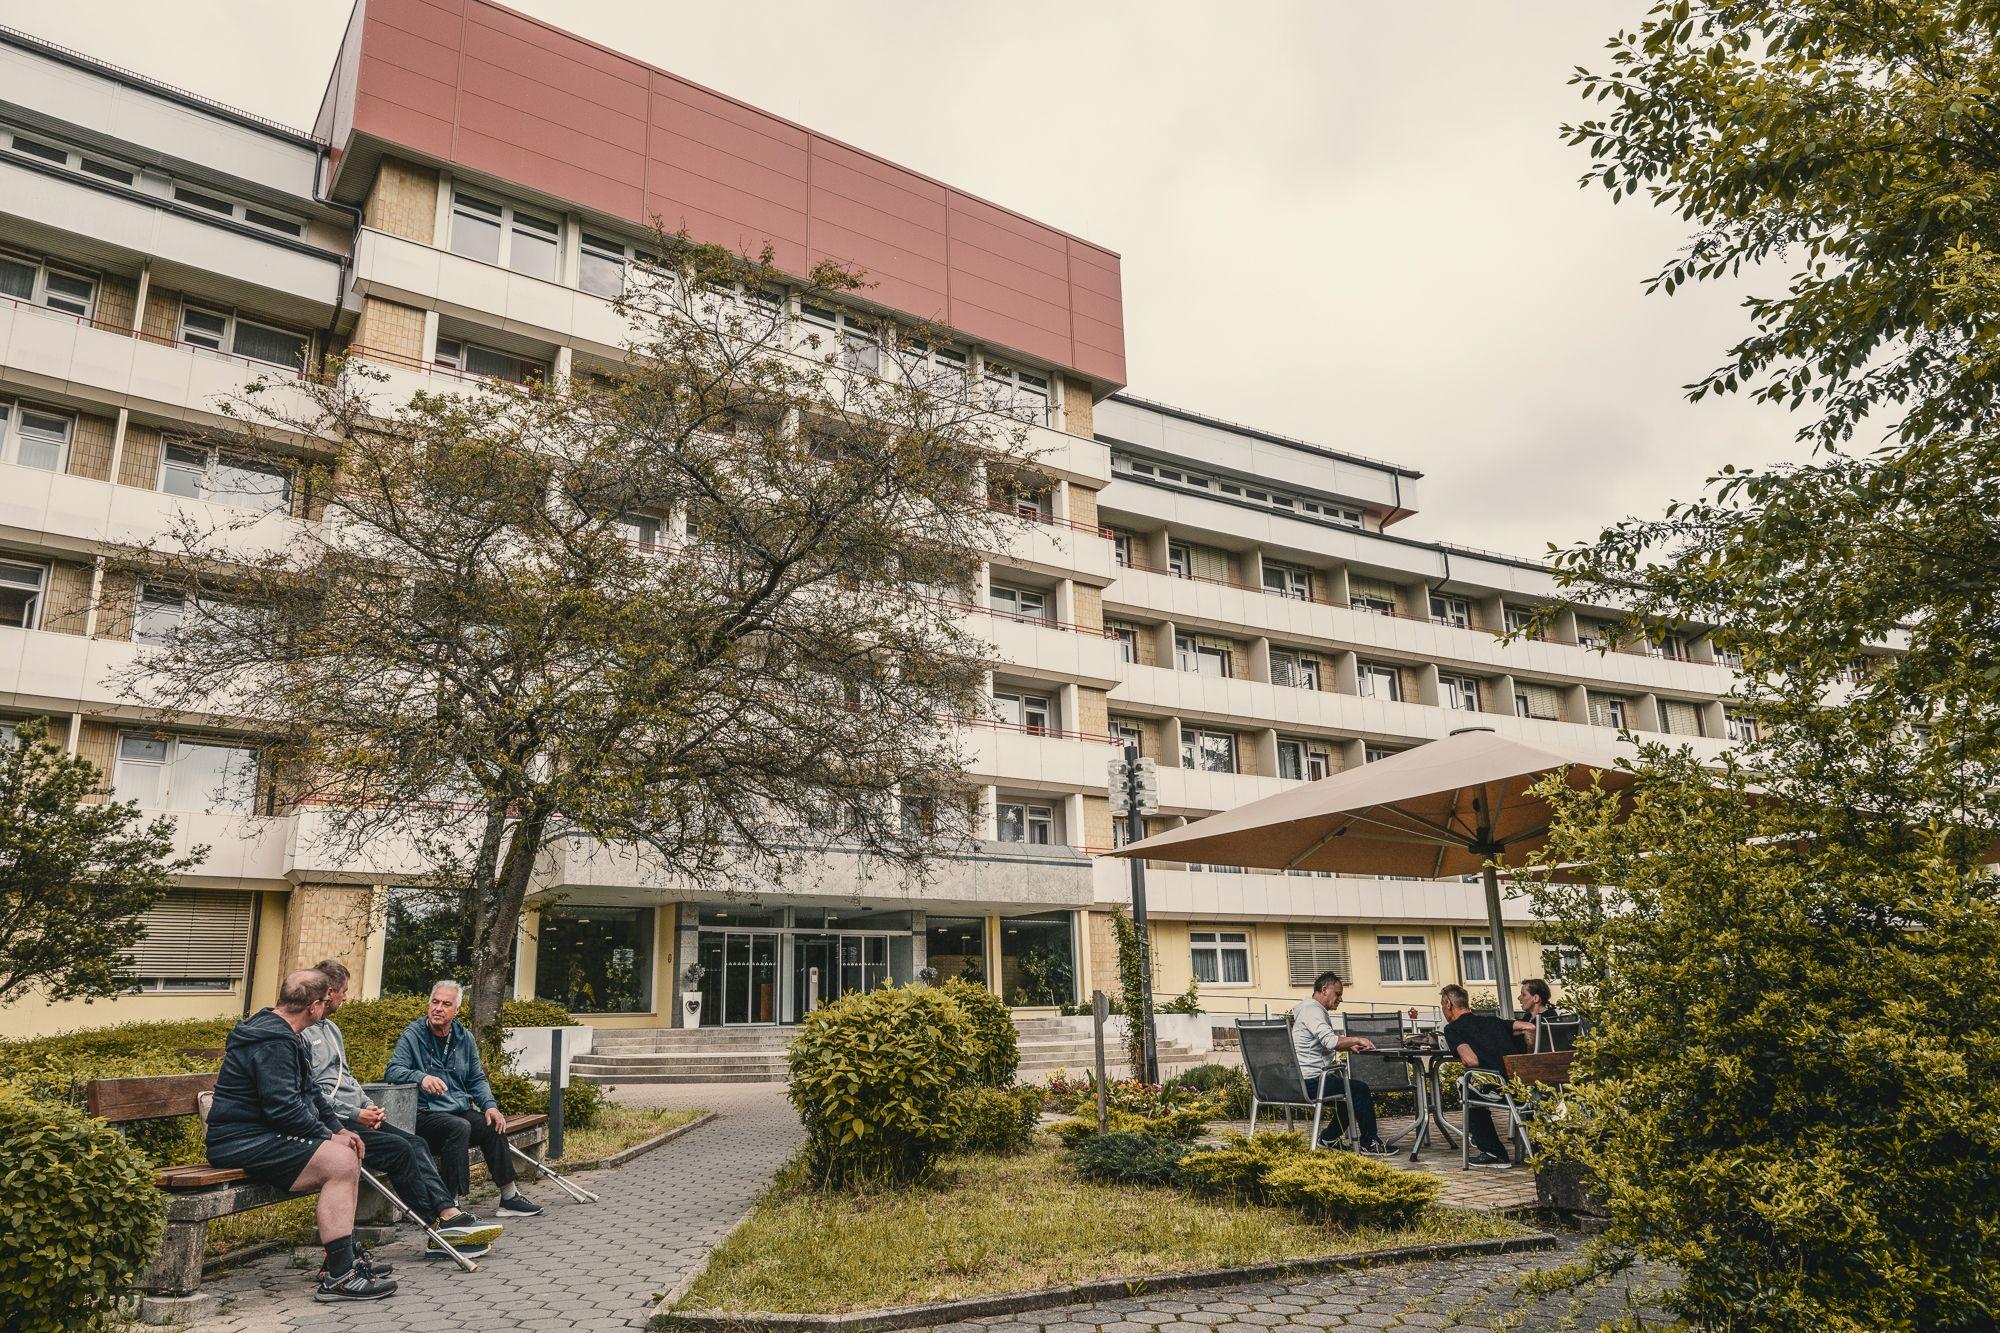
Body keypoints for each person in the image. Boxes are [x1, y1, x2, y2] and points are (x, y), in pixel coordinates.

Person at [205, 970, 397, 1303]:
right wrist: (327, 1137)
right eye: (325, 1002)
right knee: (339, 1162)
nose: (327, 1007)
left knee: (347, 1152)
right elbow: (283, 1108)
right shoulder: (274, 1041)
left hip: (262, 1135)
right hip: (238, 1140)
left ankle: (342, 1259)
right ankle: (340, 1276)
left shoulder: (286, 1033)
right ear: (314, 1006)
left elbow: (310, 1094)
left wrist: (339, 1129)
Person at [302, 960, 505, 1262]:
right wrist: (357, 1113)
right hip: (341, 1121)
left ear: (456, 1010)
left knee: (420, 1143)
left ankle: (453, 1211)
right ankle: (441, 1223)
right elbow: (313, 1092)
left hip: (362, 1114)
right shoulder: (300, 1035)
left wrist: (366, 1103)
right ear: (328, 992)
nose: (346, 998)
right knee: (408, 1146)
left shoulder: (331, 1029)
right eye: (344, 992)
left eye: (445, 1004)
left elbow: (346, 1077)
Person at [386, 980, 542, 1218]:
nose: (438, 1008)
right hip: (424, 1114)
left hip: (456, 1109)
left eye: (446, 1004)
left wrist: (490, 1105)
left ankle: (509, 1197)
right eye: (434, 1002)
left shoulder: (464, 1037)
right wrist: (421, 1078)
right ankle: (451, 1205)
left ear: (456, 1010)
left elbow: (476, 1079)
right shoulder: (413, 1034)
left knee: (492, 1124)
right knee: (459, 1127)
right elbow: (393, 1070)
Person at [1289, 971, 1392, 1154]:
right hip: (1311, 1082)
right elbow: (1329, 1041)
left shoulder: (1307, 1009)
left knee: (1346, 1095)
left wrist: (1346, 1046)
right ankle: (1370, 1143)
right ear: (1324, 990)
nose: (1340, 999)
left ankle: (1328, 1138)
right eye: (1338, 994)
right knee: (1359, 1089)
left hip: (1296, 1081)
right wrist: (1356, 1040)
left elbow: (1320, 1043)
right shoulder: (1313, 1010)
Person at [1440, 983, 1527, 1169]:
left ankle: (1493, 1152)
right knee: (1471, 1084)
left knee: (1465, 1083)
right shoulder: (1494, 1021)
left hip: (1501, 1091)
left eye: (1442, 1005)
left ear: (1448, 1004)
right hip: (1524, 1087)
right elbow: (1530, 1027)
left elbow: (1471, 1061)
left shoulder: (1453, 1029)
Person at [1510, 977, 1562, 1044]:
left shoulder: (1548, 1018)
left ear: (1536, 998)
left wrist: (1521, 1030)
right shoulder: (1528, 1016)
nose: (1519, 998)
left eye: (1524, 995)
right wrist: (1522, 1031)